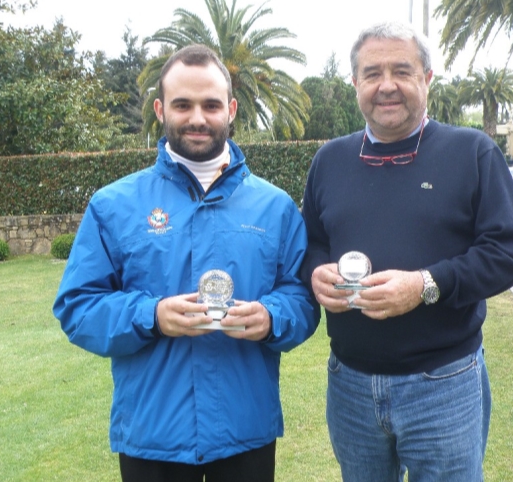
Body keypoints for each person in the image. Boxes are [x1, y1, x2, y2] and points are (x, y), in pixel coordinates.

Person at [53, 44, 317, 482]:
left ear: (231, 109)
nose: (198, 117)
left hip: (245, 432)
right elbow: (77, 308)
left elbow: (302, 300)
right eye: (183, 104)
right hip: (153, 436)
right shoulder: (113, 205)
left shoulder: (276, 208)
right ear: (160, 109)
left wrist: (272, 317)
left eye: (211, 104)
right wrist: (150, 315)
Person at [301, 22, 513, 482]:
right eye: (372, 73)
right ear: (355, 84)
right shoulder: (330, 160)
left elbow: (508, 251)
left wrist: (425, 285)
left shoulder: (472, 152)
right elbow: (312, 241)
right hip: (349, 382)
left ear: (426, 78)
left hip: (443, 383)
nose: (386, 85)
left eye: (401, 71)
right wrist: (315, 272)